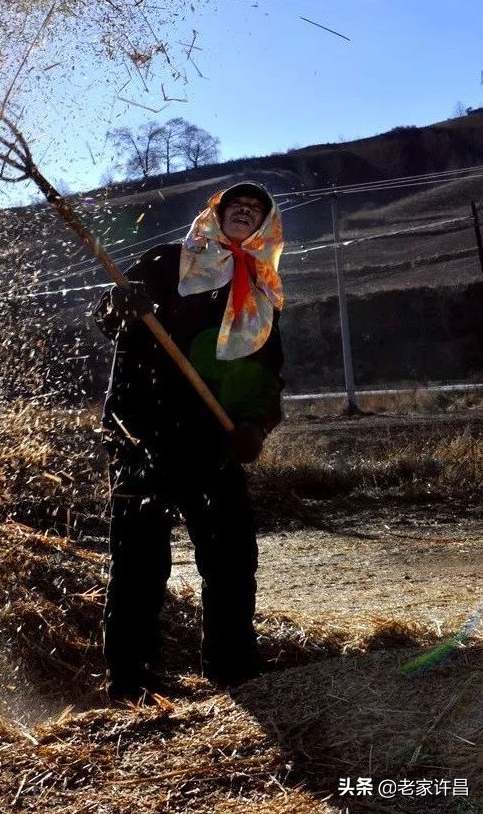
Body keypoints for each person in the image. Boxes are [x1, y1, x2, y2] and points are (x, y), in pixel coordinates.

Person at [93, 181, 285, 703]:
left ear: (266, 227)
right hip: (142, 434)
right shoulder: (167, 262)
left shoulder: (260, 293)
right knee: (138, 562)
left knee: (231, 557)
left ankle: (231, 671)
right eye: (234, 207)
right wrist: (120, 305)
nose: (244, 214)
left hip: (211, 443)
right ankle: (129, 683)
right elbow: (111, 319)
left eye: (254, 210)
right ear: (215, 215)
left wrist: (254, 426)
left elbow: (266, 373)